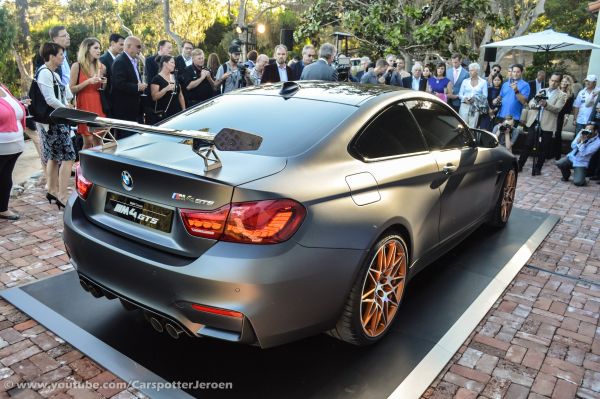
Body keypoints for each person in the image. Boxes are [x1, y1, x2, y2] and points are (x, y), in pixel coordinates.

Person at [37, 42, 75, 209]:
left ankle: (52, 190)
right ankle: (62, 194)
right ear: (51, 56)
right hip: (54, 122)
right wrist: (66, 108)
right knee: (69, 157)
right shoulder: (45, 73)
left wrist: (67, 102)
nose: (63, 58)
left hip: (56, 121)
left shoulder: (54, 74)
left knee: (53, 156)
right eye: (60, 55)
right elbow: (50, 99)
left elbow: (66, 94)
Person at [518, 72, 567, 175]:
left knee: (543, 148)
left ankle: (538, 167)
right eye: (552, 80)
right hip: (535, 121)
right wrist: (535, 104)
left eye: (556, 81)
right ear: (549, 80)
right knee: (528, 144)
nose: (553, 83)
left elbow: (557, 109)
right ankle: (519, 165)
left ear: (559, 83)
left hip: (548, 124)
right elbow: (531, 102)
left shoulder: (562, 95)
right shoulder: (542, 90)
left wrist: (546, 105)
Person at [70, 38, 108, 149]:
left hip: (98, 104)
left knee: (99, 139)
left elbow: (102, 90)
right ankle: (84, 166)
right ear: (87, 49)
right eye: (95, 48)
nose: (99, 50)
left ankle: (98, 165)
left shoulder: (102, 67)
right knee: (87, 140)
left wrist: (104, 83)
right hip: (84, 104)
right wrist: (88, 81)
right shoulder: (77, 66)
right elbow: (72, 89)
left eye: (99, 48)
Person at [0, 82, 27, 220]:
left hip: (14, 145)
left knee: (5, 178)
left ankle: (2, 209)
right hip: (1, 145)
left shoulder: (3, 87)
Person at [111, 36, 147, 136]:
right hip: (125, 111)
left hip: (135, 109)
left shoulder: (133, 61)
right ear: (128, 46)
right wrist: (137, 87)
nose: (140, 50)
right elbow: (119, 84)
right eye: (138, 47)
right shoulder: (120, 61)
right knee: (127, 139)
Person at [149, 55, 185, 124]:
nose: (174, 65)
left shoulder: (174, 77)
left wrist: (184, 109)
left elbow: (180, 95)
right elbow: (154, 97)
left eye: (174, 63)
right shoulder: (156, 79)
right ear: (165, 63)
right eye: (172, 62)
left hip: (177, 113)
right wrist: (165, 89)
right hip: (164, 114)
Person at [99, 33, 125, 111]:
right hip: (109, 103)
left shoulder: (120, 59)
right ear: (113, 43)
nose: (123, 47)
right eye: (121, 44)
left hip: (118, 103)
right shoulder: (103, 59)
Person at [457, 63, 488, 128]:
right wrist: (464, 98)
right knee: (462, 126)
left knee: (472, 127)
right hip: (464, 106)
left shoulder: (483, 82)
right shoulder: (465, 81)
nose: (469, 72)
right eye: (469, 70)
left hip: (475, 107)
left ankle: (470, 138)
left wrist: (475, 98)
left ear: (477, 71)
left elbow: (485, 96)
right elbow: (460, 94)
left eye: (472, 70)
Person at [553, 75, 575, 160]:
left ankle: (557, 155)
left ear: (569, 83)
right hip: (552, 114)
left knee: (558, 134)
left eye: (566, 81)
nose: (563, 83)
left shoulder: (570, 94)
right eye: (562, 81)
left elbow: (569, 108)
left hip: (561, 116)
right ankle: (549, 153)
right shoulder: (556, 91)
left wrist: (566, 117)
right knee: (550, 133)